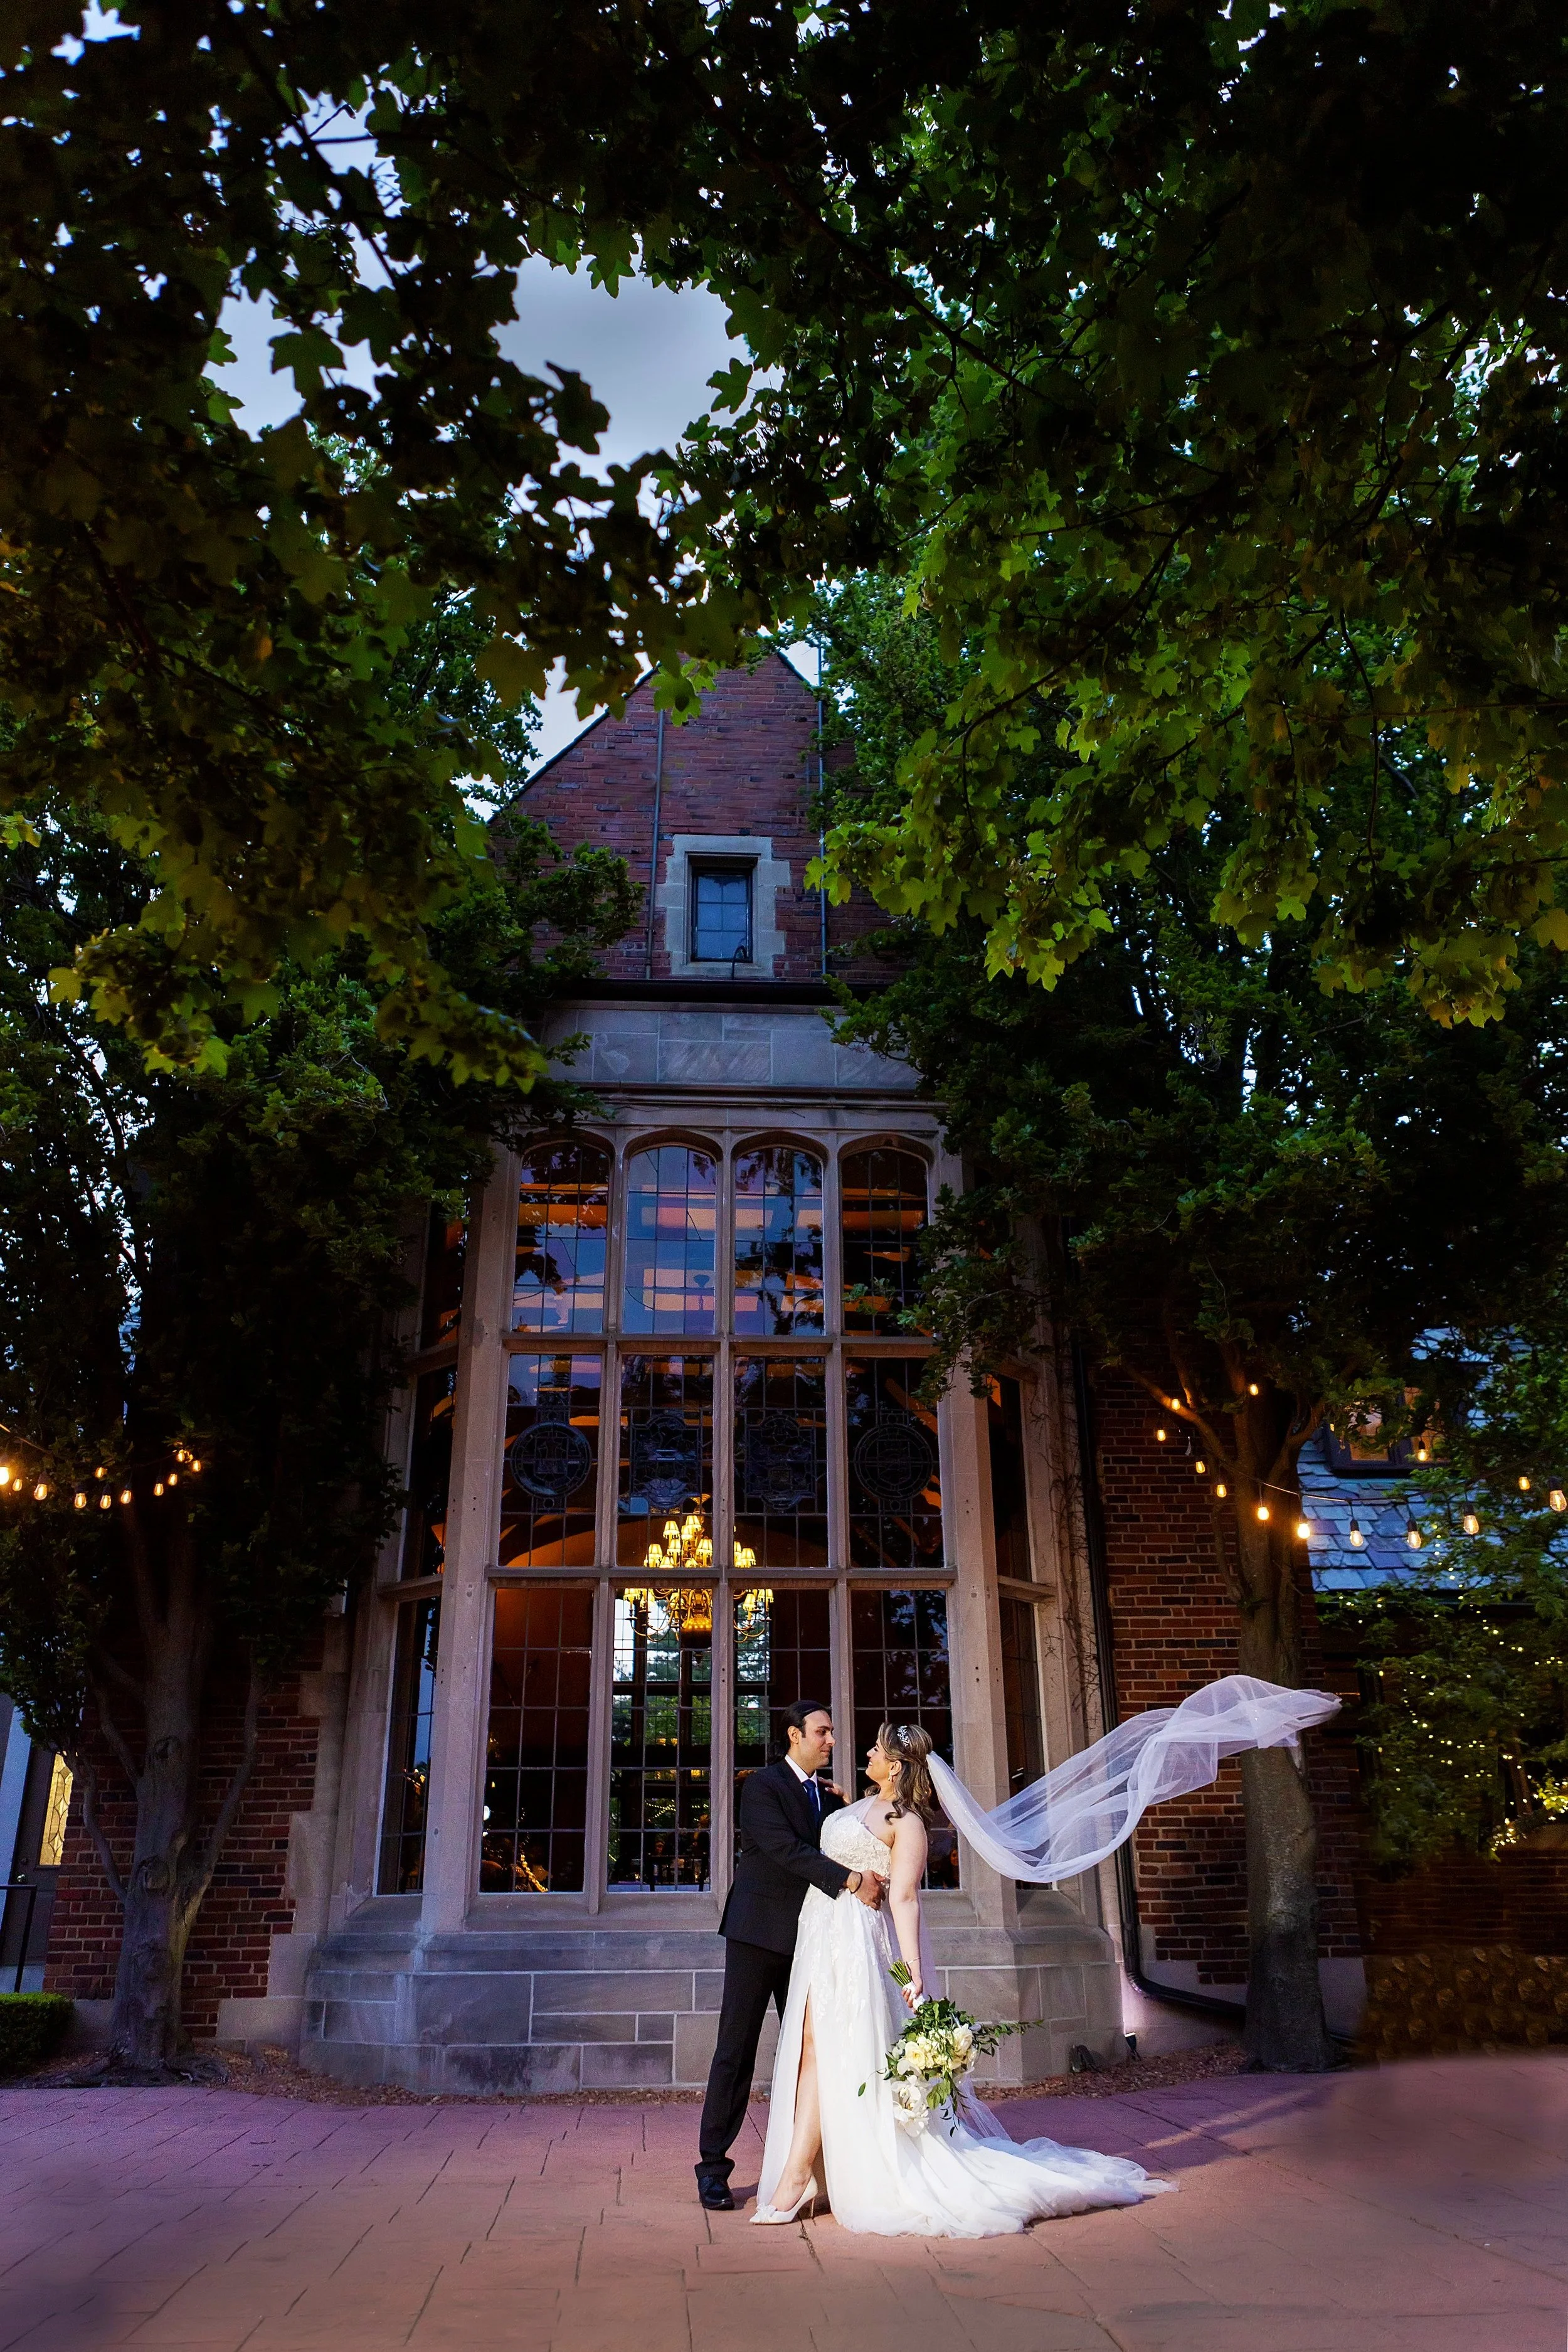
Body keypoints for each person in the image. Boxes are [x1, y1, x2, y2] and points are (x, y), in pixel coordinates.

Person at [751, 1721, 1175, 2236]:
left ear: (897, 1765)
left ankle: (798, 2177)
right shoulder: (850, 1804)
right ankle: (816, 2169)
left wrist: (912, 1975)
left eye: (877, 1749)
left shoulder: (906, 1822)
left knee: (827, 2047)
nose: (866, 1751)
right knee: (813, 2047)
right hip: (822, 1936)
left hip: (858, 1944)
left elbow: (905, 1898)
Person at [695, 1700, 885, 2211]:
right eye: (822, 1731)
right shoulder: (761, 1786)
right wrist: (849, 1879)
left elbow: (845, 1836)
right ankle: (712, 2167)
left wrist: (848, 1807)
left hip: (810, 1940)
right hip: (757, 1935)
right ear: (794, 1735)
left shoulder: (826, 1796)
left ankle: (815, 2164)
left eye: (831, 1732)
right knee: (735, 2048)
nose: (831, 1739)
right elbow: (784, 1848)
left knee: (812, 2052)